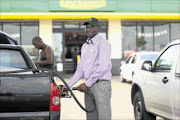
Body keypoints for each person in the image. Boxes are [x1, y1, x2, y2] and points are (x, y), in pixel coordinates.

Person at [62, 17, 112, 120]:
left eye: (91, 27)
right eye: (87, 27)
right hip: (89, 85)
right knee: (91, 116)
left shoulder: (103, 43)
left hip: (101, 85)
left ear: (98, 28)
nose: (88, 29)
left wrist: (87, 83)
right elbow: (80, 70)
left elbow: (102, 67)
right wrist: (67, 86)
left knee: (103, 116)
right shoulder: (85, 46)